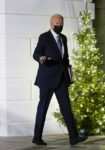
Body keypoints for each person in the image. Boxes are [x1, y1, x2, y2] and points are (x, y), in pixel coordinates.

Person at [32, 14, 87, 145]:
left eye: (61, 24)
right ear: (51, 24)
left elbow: (65, 59)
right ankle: (37, 137)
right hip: (47, 78)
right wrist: (42, 58)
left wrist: (69, 77)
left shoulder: (63, 38)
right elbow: (36, 53)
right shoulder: (44, 37)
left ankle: (74, 138)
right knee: (43, 109)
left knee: (67, 108)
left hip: (61, 79)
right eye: (57, 23)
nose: (60, 26)